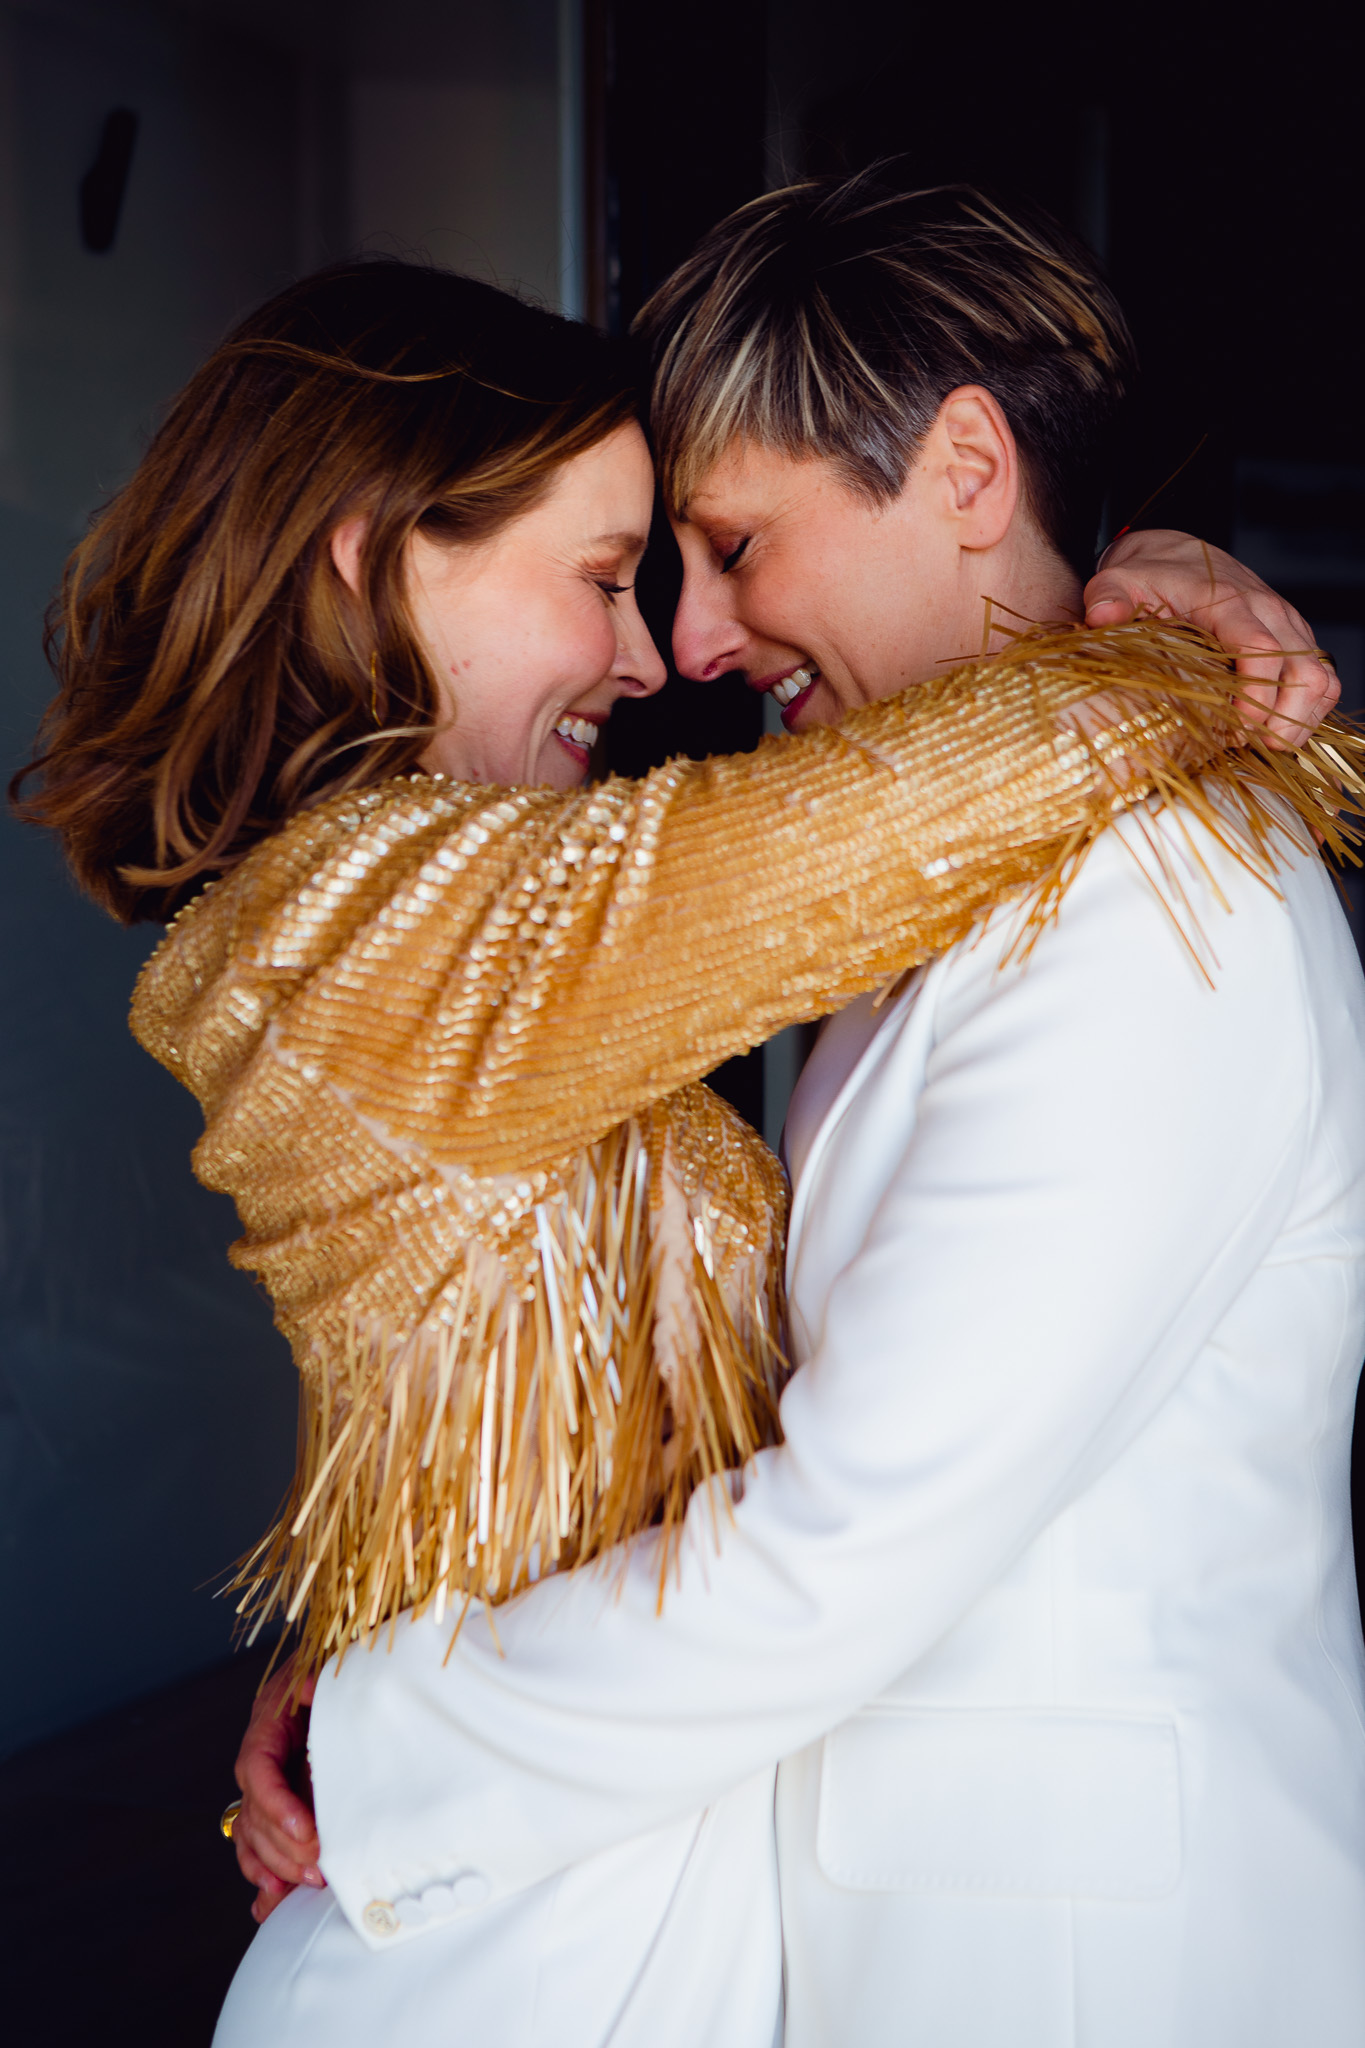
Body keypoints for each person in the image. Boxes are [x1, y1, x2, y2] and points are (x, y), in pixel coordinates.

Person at [13, 201, 1348, 2045]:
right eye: (623, 573)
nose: (675, 650)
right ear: (374, 565)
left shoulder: (1138, 893)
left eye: (720, 549)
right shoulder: (389, 920)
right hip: (550, 1935)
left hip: (1005, 1947)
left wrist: (374, 1706)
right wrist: (1177, 633)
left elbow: (801, 1504)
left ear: (962, 465)